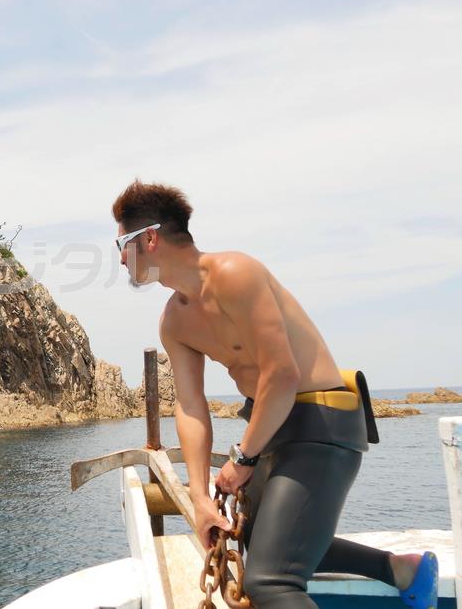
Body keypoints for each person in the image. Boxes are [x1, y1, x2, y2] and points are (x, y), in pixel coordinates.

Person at [112, 180, 439, 609]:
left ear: (149, 238)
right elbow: (190, 406)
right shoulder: (174, 321)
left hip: (322, 421)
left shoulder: (234, 273)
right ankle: (403, 569)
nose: (119, 259)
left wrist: (243, 458)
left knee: (270, 582)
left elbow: (282, 375)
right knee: (253, 538)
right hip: (270, 425)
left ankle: (398, 571)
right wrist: (199, 497)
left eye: (122, 243)